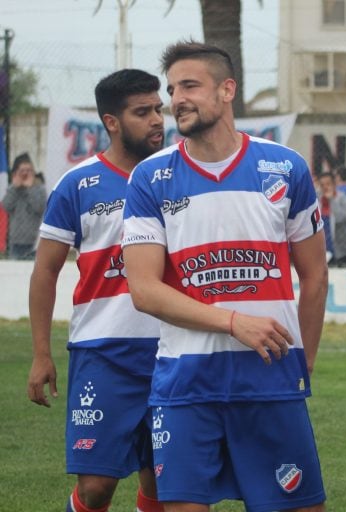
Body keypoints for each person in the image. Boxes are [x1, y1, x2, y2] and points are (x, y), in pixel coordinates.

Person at [121, 41, 328, 512]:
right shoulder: (151, 178)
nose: (177, 99)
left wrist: (303, 360)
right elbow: (145, 290)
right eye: (172, 89)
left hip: (270, 380)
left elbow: (314, 276)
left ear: (227, 89)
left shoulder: (285, 167)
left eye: (190, 85)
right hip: (185, 384)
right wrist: (234, 321)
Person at [27, 69, 165, 512]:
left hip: (173, 349)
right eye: (142, 112)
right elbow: (45, 271)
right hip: (103, 352)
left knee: (165, 484)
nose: (157, 120)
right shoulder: (78, 184)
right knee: (96, 488)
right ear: (112, 122)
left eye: (158, 108)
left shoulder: (176, 177)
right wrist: (41, 353)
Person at [2, 152, 47, 259]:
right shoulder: (13, 189)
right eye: (22, 171)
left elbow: (39, 208)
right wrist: (14, 188)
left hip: (33, 241)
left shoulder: (39, 188)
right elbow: (6, 206)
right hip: (16, 241)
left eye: (29, 170)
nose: (25, 173)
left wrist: (29, 189)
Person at [318, 170, 346, 267]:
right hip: (321, 249)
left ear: (334, 184)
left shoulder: (344, 199)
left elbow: (340, 219)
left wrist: (331, 200)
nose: (325, 187)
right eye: (322, 185)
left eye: (328, 184)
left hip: (342, 249)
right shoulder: (316, 199)